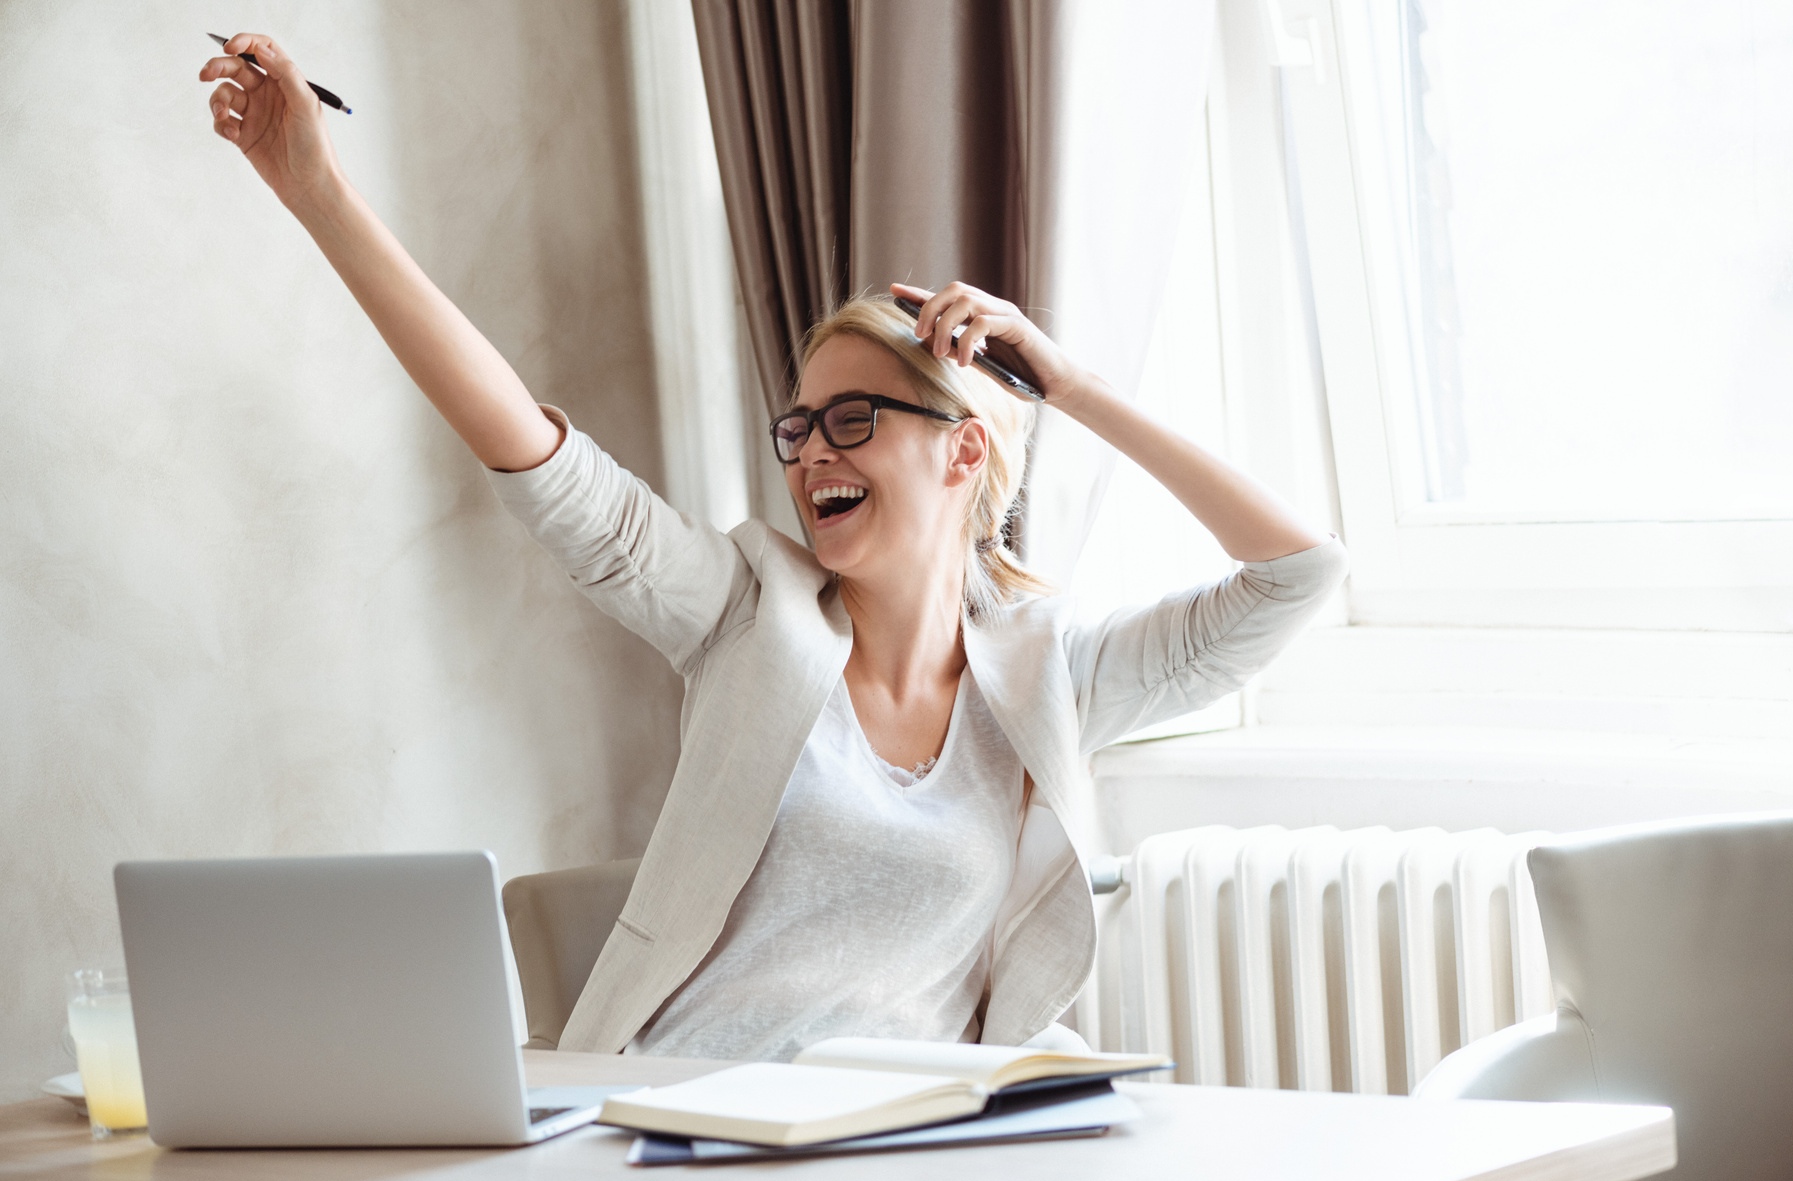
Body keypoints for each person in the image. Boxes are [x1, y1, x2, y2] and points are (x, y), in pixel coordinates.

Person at [201, 34, 1348, 1058]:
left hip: (912, 1147)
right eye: (797, 426)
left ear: (961, 455)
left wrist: (1071, 384)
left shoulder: (1052, 673)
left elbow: (1298, 574)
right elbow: (539, 459)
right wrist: (320, 195)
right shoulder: (745, 607)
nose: (808, 457)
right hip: (682, 1129)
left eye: (854, 420)